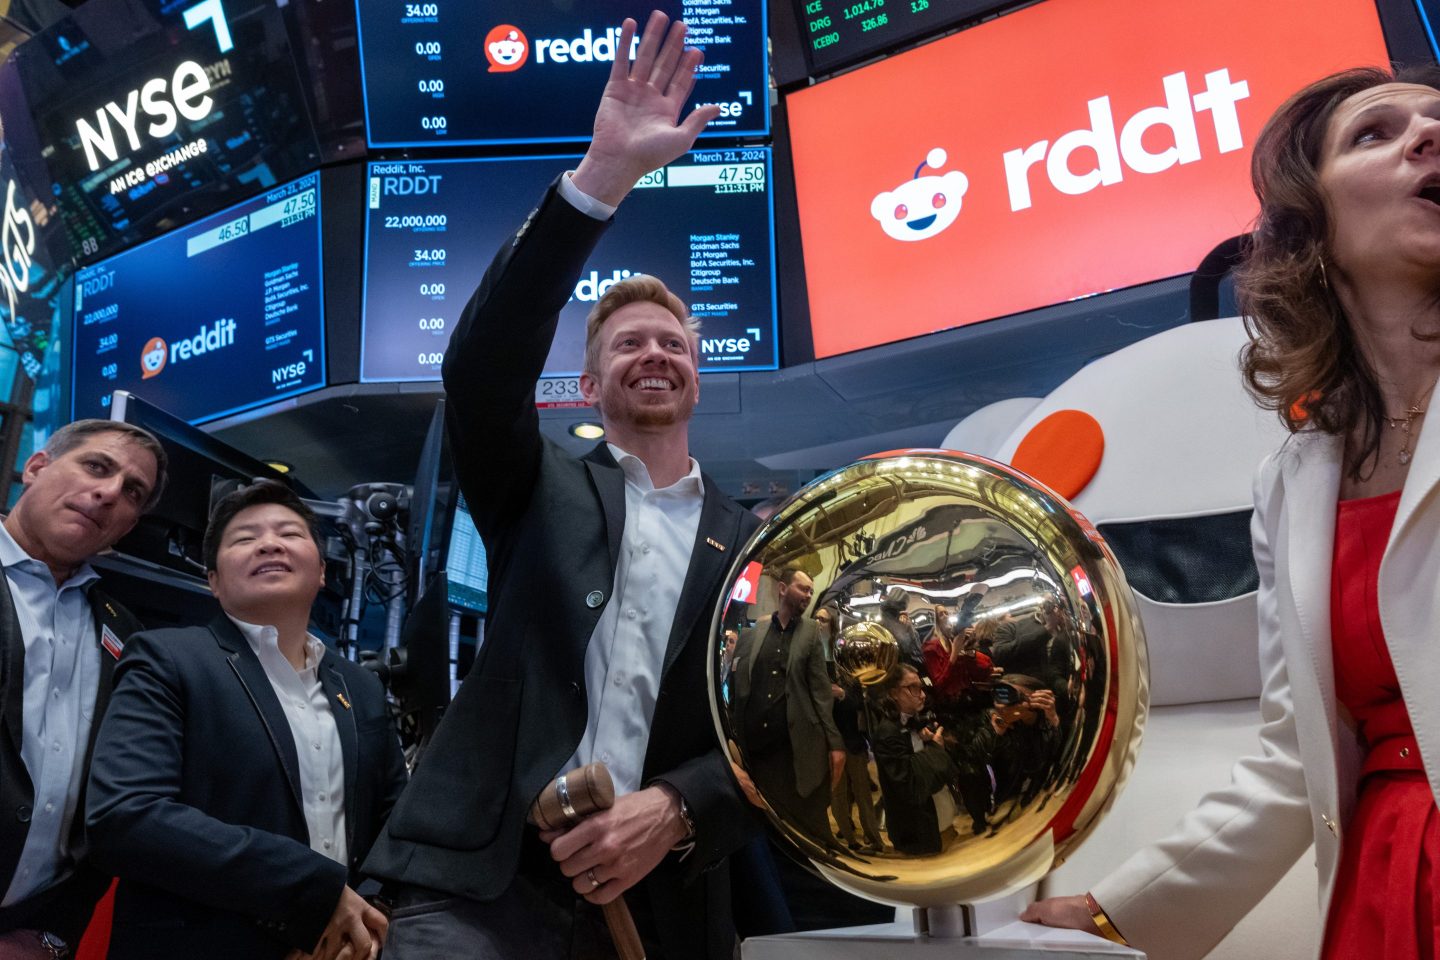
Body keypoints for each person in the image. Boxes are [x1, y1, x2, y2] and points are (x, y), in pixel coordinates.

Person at [362, 13, 761, 959]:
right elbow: (482, 367)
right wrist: (601, 179)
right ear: (587, 385)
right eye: (629, 344)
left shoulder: (756, 543)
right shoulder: (535, 484)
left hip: (661, 900)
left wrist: (678, 803)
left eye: (673, 344)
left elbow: (780, 726)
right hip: (478, 888)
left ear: (695, 376)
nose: (655, 353)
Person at [1024, 65, 1440, 959]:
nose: (1427, 135)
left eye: (1437, 121)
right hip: (1385, 886)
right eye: (1375, 133)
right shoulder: (1294, 480)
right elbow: (1298, 760)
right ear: (1312, 226)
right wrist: (1121, 911)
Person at [85, 480, 407, 960]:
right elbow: (126, 815)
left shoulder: (358, 685)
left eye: (289, 533)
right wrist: (313, 895)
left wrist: (370, 908)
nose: (270, 543)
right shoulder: (167, 658)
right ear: (213, 580)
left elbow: (395, 820)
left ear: (321, 571)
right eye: (244, 538)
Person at [0, 420, 164, 958]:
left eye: (132, 491)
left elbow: (107, 810)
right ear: (36, 467)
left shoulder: (125, 633)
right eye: (97, 466)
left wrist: (52, 937)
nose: (110, 492)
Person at [731, 568, 844, 842]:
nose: (808, 595)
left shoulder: (810, 632)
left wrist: (835, 743)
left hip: (797, 750)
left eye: (810, 590)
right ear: (782, 589)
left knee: (810, 829)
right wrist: (733, 738)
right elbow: (741, 688)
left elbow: (820, 691)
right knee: (762, 829)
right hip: (756, 754)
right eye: (803, 588)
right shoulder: (754, 632)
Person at [872, 664, 957, 855]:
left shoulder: (914, 720)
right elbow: (908, 785)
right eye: (913, 688)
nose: (922, 695)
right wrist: (935, 748)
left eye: (921, 687)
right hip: (913, 826)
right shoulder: (887, 733)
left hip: (931, 813)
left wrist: (925, 740)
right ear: (894, 693)